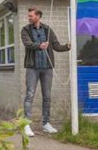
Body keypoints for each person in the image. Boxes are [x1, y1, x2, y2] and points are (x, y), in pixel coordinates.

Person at [21, 7, 71, 137]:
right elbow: (27, 43)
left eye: (31, 16)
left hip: (47, 68)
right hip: (32, 68)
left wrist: (67, 47)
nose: (29, 17)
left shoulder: (48, 30)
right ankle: (26, 124)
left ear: (38, 16)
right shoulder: (25, 30)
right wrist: (39, 46)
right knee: (30, 94)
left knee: (47, 96)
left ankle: (46, 124)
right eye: (29, 16)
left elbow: (56, 46)